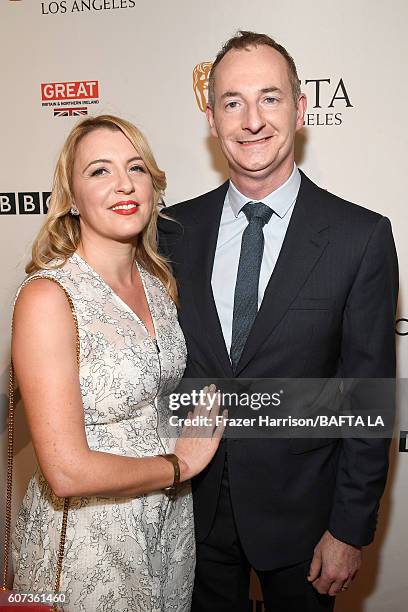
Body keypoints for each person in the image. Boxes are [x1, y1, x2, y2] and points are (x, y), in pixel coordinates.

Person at [158, 31, 399, 612]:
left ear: (301, 107)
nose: (252, 120)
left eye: (270, 97)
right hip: (189, 517)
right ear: (211, 119)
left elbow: (368, 396)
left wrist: (349, 530)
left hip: (306, 524)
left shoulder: (359, 237)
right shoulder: (170, 232)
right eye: (232, 102)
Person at [10, 114, 224, 612]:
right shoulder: (49, 296)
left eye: (136, 168)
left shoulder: (159, 285)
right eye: (99, 171)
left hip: (168, 529)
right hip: (88, 543)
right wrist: (180, 464)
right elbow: (65, 471)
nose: (124, 184)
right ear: (69, 198)